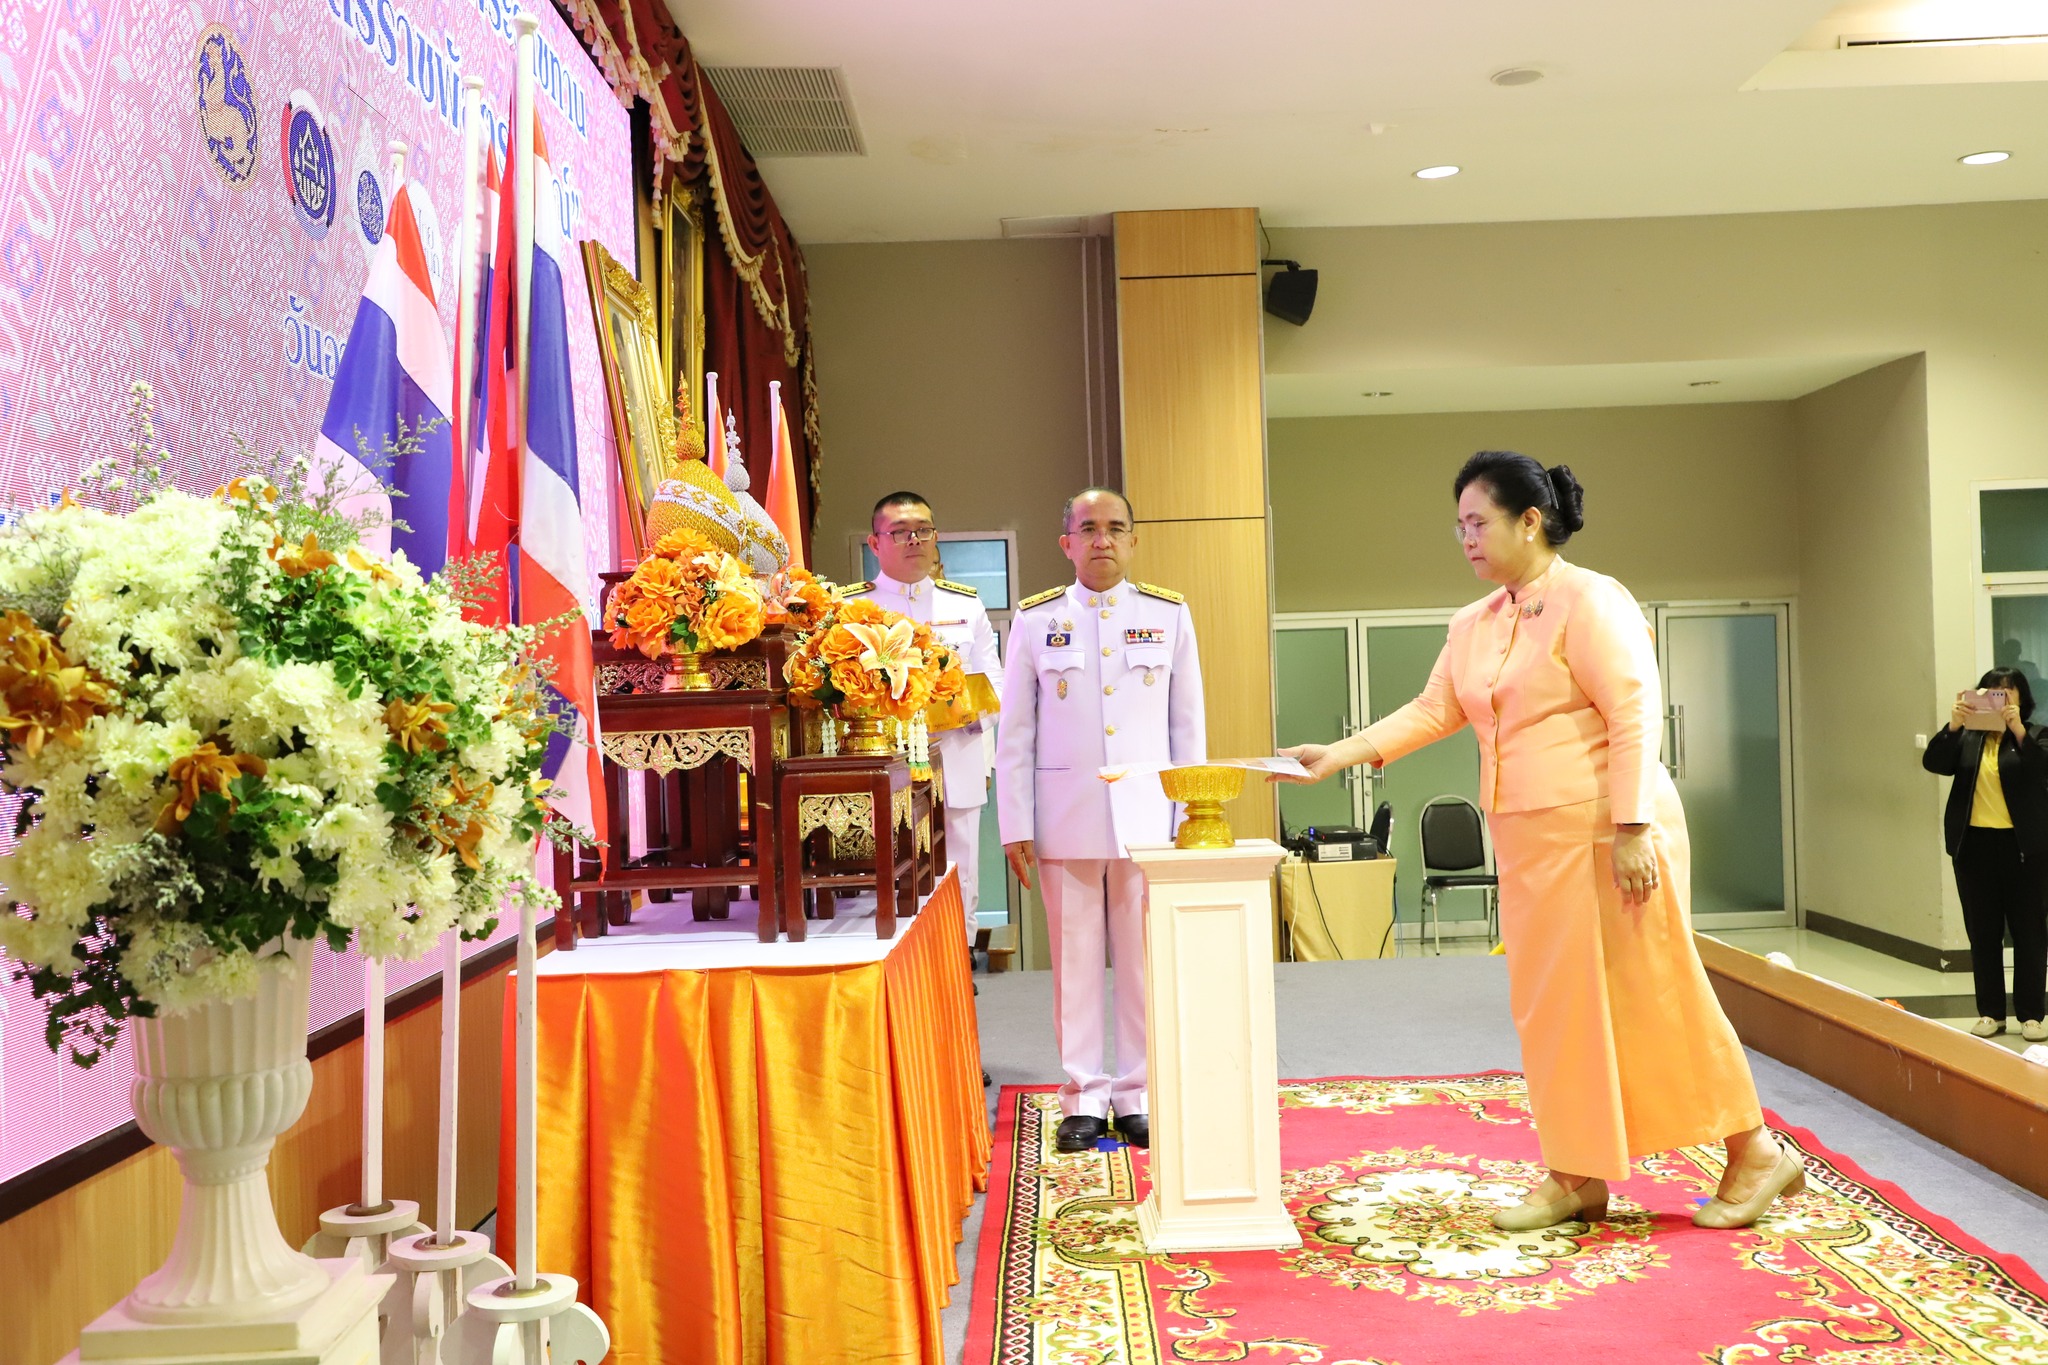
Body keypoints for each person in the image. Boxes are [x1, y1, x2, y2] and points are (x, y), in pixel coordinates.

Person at [1277, 450, 1799, 1231]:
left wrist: (1631, 827)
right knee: (1554, 1011)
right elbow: (1433, 710)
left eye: (1477, 522)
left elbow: (1633, 712)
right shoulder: (1474, 623)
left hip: (1608, 832)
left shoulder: (1591, 599)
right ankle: (1577, 1171)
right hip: (1529, 840)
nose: (1466, 539)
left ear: (1530, 519)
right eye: (1457, 526)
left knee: (1654, 992)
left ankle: (1755, 1150)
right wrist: (1337, 755)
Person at [996, 488, 1205, 1152]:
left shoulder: (1168, 615)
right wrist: (1015, 823)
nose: (1103, 539)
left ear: (1134, 539)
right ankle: (1083, 1092)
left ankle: (1136, 1091)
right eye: (1088, 528)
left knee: (1142, 963)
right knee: (1075, 962)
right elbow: (1015, 733)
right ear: (1067, 543)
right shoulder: (1035, 621)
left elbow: (1186, 726)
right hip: (1066, 817)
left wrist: (1188, 815)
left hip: (1149, 817)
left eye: (1116, 528)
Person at [846, 492, 1003, 945]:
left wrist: (969, 719)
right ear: (876, 544)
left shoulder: (965, 605)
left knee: (961, 861)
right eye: (899, 531)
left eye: (923, 530)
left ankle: (958, 951)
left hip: (957, 750)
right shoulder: (854, 609)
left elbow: (995, 682)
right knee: (891, 861)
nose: (913, 539)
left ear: (936, 537)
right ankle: (899, 954)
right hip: (885, 756)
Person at [1921, 669, 2048, 1042]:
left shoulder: (2037, 735)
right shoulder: (1968, 738)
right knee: (1983, 932)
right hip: (1974, 848)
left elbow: (2043, 769)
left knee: (2029, 931)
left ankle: (2032, 1015)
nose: (1998, 698)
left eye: (2006, 692)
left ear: (2020, 698)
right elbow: (1934, 763)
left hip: (2026, 849)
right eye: (1991, 691)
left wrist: (2018, 731)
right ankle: (1991, 1013)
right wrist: (1954, 725)